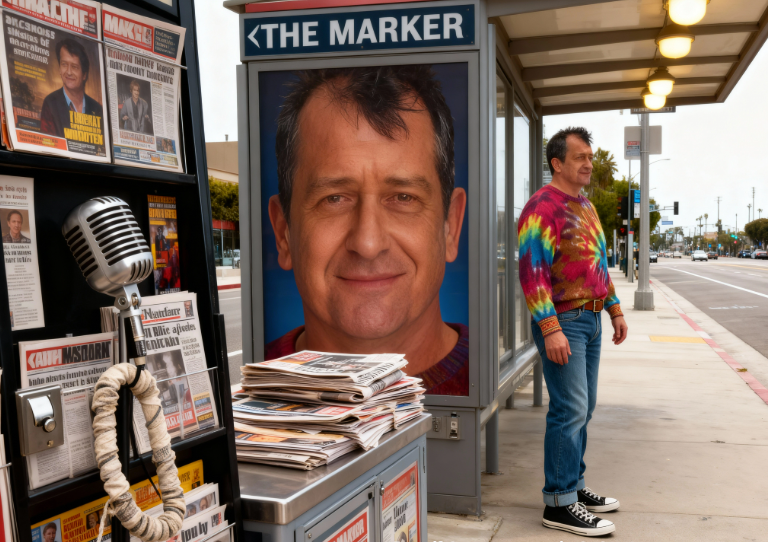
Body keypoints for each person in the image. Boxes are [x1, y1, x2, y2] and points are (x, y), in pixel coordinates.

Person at [266, 66, 468, 395]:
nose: (368, 243)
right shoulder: (250, 388)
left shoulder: (484, 378)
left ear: (451, 226)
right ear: (283, 232)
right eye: (334, 199)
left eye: (404, 197)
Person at [517, 127, 628, 537]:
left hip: (591, 321)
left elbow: (597, 264)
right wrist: (549, 329)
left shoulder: (585, 206)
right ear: (557, 163)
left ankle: (575, 488)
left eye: (590, 157)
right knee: (568, 410)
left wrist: (614, 309)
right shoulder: (541, 207)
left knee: (585, 408)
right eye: (580, 157)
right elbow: (532, 273)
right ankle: (559, 503)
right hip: (563, 323)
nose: (588, 164)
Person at [40, 39, 103, 137]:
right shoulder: (50, 103)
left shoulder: (97, 109)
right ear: (60, 68)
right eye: (64, 64)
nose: (68, 72)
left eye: (74, 67)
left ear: (84, 75)